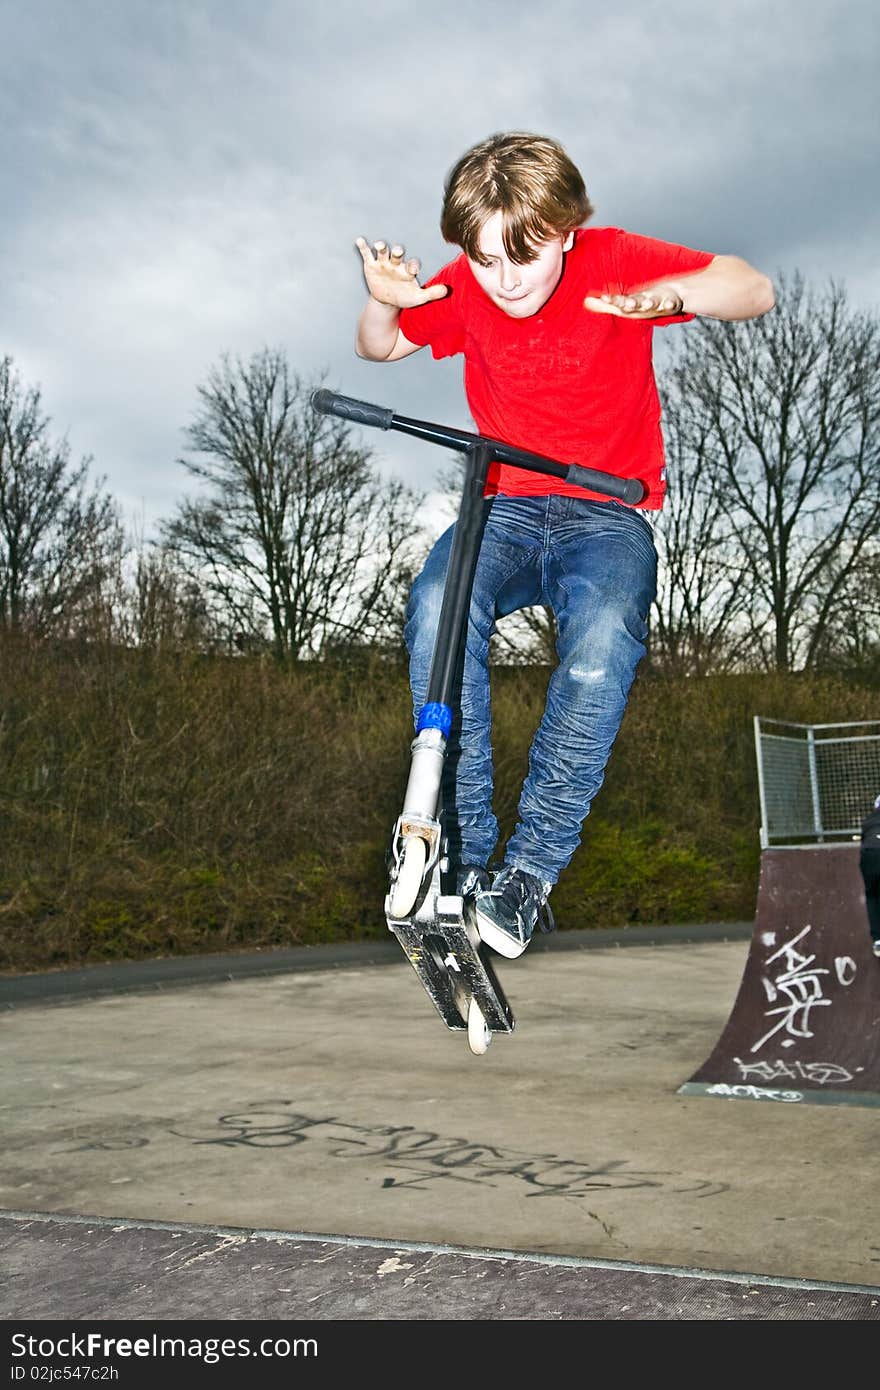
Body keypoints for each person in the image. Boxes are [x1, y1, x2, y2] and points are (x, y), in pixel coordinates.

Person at [355, 131, 774, 960]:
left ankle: (529, 872)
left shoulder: (613, 259)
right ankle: (465, 852)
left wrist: (672, 294)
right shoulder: (469, 285)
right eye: (482, 260)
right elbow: (381, 346)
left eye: (524, 255)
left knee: (602, 637)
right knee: (438, 601)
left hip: (605, 515)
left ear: (566, 229)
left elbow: (752, 287)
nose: (504, 280)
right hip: (504, 508)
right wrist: (383, 299)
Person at [860, 794, 880, 959]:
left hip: (869, 856)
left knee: (872, 895)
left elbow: (863, 843)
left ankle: (878, 939)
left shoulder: (868, 821)